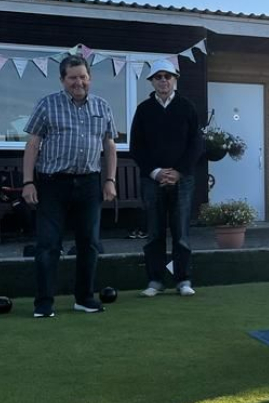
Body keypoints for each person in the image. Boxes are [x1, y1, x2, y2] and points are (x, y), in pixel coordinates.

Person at [22, 54, 117, 318]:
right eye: (73, 78)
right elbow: (33, 144)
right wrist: (28, 182)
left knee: (89, 244)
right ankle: (44, 303)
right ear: (62, 80)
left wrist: (109, 180)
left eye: (83, 77)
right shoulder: (47, 105)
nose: (79, 82)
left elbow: (109, 145)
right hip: (52, 184)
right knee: (48, 245)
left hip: (89, 183)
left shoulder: (102, 106)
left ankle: (84, 298)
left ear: (90, 78)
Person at [130, 59, 203, 297]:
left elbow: (196, 145)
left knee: (181, 232)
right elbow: (137, 147)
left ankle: (183, 280)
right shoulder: (143, 109)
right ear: (152, 81)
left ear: (175, 79)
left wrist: (178, 172)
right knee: (154, 232)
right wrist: (156, 172)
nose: (163, 80)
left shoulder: (187, 107)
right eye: (158, 77)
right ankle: (155, 281)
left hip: (183, 179)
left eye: (167, 76)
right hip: (152, 179)